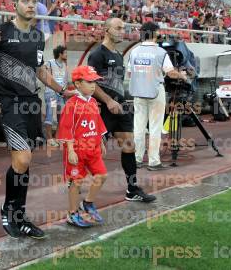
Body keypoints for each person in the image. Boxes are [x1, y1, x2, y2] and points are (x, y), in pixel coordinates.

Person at [0, 0, 73, 239]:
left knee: (25, 161)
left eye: (34, 1)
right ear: (15, 4)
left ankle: (20, 215)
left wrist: (62, 90)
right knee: (22, 159)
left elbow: (40, 70)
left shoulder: (38, 37)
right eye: (26, 1)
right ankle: (8, 210)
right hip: (7, 103)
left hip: (31, 103)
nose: (31, 5)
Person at [87, 18, 156, 202]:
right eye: (118, 28)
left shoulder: (118, 55)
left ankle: (132, 189)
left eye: (123, 28)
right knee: (91, 151)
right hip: (103, 108)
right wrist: (108, 101)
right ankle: (76, 184)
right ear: (106, 29)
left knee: (129, 145)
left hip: (120, 107)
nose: (121, 31)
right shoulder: (97, 55)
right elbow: (90, 83)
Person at [128, 22, 187, 170]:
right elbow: (171, 73)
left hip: (138, 93)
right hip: (155, 92)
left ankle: (137, 159)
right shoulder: (160, 52)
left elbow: (130, 73)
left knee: (138, 127)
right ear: (154, 34)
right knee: (155, 128)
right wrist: (183, 76)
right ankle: (154, 162)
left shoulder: (134, 52)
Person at [57, 66, 108, 228]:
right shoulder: (71, 104)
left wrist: (101, 142)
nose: (93, 85)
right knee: (76, 182)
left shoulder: (93, 102)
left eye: (95, 82)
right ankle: (72, 213)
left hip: (93, 149)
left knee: (102, 176)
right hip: (77, 151)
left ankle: (88, 202)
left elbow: (97, 124)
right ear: (78, 84)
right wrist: (70, 150)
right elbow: (66, 129)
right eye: (89, 81)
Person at [43, 45, 69, 147]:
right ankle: (49, 139)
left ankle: (58, 137)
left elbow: (65, 81)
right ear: (60, 54)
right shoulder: (50, 63)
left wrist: (65, 92)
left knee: (61, 116)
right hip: (52, 93)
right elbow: (43, 74)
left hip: (61, 94)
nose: (67, 54)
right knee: (50, 114)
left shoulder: (65, 66)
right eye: (65, 53)